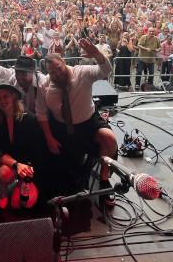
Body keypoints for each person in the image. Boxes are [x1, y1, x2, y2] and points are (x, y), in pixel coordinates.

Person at [36, 40, 118, 205]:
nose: (57, 74)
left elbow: (106, 70)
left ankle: (104, 180)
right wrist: (50, 138)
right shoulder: (44, 86)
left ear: (64, 62)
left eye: (59, 69)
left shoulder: (82, 72)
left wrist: (97, 54)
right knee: (68, 179)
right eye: (52, 72)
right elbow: (41, 114)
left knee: (110, 139)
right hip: (62, 127)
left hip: (88, 121)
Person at [0, 84, 46, 209]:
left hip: (29, 165)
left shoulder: (30, 119)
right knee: (3, 174)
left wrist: (26, 169)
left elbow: (37, 150)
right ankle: (2, 192)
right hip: (10, 164)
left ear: (13, 97)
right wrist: (16, 165)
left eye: (5, 96)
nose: (2, 101)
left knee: (25, 204)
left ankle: (22, 184)